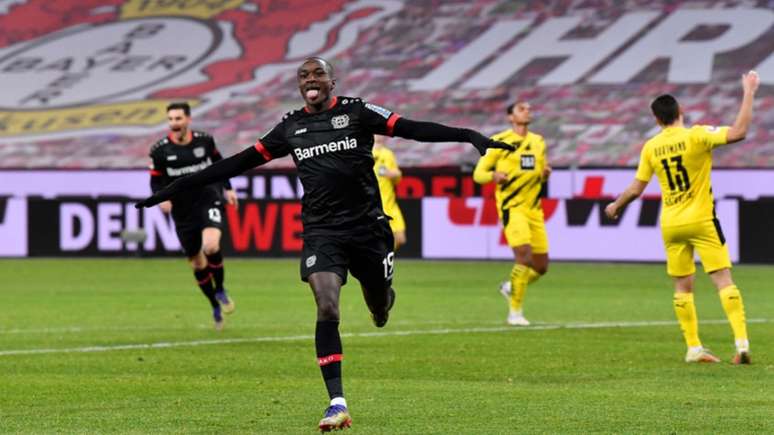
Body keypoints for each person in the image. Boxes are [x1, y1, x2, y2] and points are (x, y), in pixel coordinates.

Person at [135, 57, 512, 432]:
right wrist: (180, 185)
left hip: (369, 229)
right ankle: (337, 402)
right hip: (322, 231)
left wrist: (467, 135)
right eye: (304, 75)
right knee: (326, 304)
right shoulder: (291, 127)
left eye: (318, 74)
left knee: (379, 307)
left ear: (332, 81)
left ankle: (382, 299)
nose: (310, 79)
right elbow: (237, 162)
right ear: (299, 85)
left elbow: (412, 128)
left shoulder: (358, 112)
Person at [605, 71, 759, 364]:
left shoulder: (651, 147)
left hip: (672, 223)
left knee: (682, 285)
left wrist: (616, 205)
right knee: (723, 280)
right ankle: (741, 345)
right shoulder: (697, 135)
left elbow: (637, 188)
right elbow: (738, 132)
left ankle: (693, 348)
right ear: (680, 112)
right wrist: (749, 92)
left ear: (656, 119)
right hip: (701, 219)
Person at [149, 102, 238, 331]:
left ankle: (221, 289)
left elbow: (220, 165)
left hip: (209, 198)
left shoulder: (205, 141)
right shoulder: (159, 150)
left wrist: (228, 188)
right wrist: (160, 197)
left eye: (178, 119)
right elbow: (155, 179)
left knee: (210, 246)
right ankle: (214, 305)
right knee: (197, 264)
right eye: (170, 119)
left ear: (188, 119)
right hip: (182, 209)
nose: (174, 124)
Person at [473, 101, 551, 326]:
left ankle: (510, 287)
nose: (527, 111)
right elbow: (479, 174)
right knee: (524, 257)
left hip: (534, 209)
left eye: (529, 108)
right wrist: (493, 176)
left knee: (541, 267)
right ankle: (515, 313)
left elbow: (540, 170)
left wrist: (545, 173)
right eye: (521, 109)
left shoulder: (538, 141)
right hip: (512, 208)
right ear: (510, 117)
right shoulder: (500, 141)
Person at [373, 136, 406, 250]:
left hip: (390, 205)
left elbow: (397, 177)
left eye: (381, 133)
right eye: (377, 133)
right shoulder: (365, 152)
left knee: (400, 238)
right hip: (374, 207)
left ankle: (384, 259)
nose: (379, 135)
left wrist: (394, 174)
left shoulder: (388, 154)